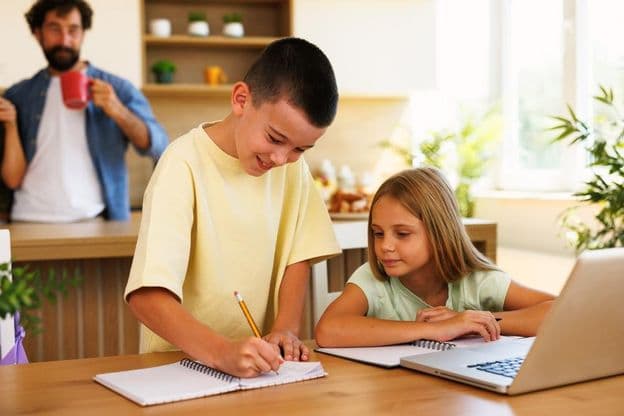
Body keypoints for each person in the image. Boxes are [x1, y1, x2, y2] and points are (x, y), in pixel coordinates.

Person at [125, 37, 341, 378]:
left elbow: (297, 256)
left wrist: (285, 327)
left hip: (261, 369)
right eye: (274, 138)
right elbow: (146, 297)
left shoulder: (291, 169)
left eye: (301, 149)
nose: (281, 158)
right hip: (176, 367)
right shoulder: (182, 163)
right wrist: (221, 352)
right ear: (241, 100)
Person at [315, 167, 555, 348]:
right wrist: (430, 330)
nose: (385, 246)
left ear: (439, 233)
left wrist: (475, 321)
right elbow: (328, 330)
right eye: (378, 233)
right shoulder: (373, 279)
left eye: (402, 234)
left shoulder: (476, 280)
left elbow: (559, 311)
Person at [2, 0, 168, 222]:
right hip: (28, 218)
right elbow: (9, 175)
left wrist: (117, 109)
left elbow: (158, 145)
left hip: (97, 221)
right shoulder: (18, 95)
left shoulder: (118, 89)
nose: (65, 40)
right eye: (54, 29)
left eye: (73, 30)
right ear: (37, 33)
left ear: (83, 34)